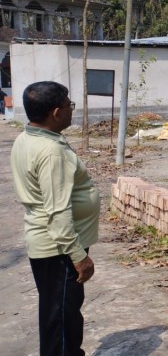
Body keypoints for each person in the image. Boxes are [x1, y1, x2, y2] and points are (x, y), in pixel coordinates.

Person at [10, 81, 99, 356]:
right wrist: (78, 256)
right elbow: (57, 211)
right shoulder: (51, 153)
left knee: (62, 316)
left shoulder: (28, 138)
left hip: (50, 245)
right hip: (59, 249)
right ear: (56, 112)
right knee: (61, 320)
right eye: (69, 105)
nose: (72, 110)